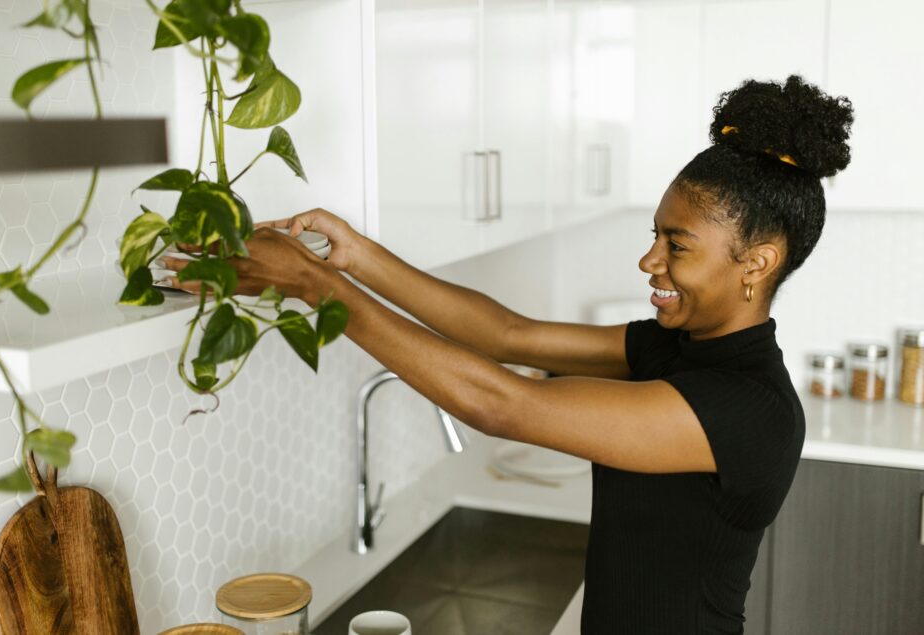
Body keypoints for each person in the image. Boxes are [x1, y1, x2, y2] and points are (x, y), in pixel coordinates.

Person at [159, 74, 853, 633]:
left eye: (676, 245)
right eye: (656, 235)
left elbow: (501, 402)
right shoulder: (679, 347)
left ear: (756, 262)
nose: (649, 260)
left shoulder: (748, 409)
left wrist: (313, 284)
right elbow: (509, 336)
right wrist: (357, 256)